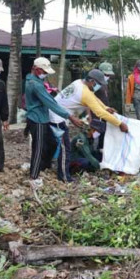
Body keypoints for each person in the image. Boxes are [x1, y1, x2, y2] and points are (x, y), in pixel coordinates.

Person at [49, 69, 128, 181]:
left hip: (57, 114)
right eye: (98, 84)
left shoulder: (79, 83)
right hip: (56, 118)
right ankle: (64, 176)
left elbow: (95, 99)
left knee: (57, 145)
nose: (99, 87)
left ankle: (52, 167)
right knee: (65, 148)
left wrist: (106, 107)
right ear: (92, 81)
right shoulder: (85, 93)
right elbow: (99, 113)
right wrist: (120, 123)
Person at [25, 57, 82, 188]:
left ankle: (43, 167)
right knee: (38, 148)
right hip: (37, 119)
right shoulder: (35, 84)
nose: (45, 74)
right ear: (37, 69)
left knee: (50, 144)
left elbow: (49, 99)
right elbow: (50, 103)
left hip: (42, 118)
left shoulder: (35, 80)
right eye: (44, 71)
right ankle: (34, 176)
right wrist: (70, 116)